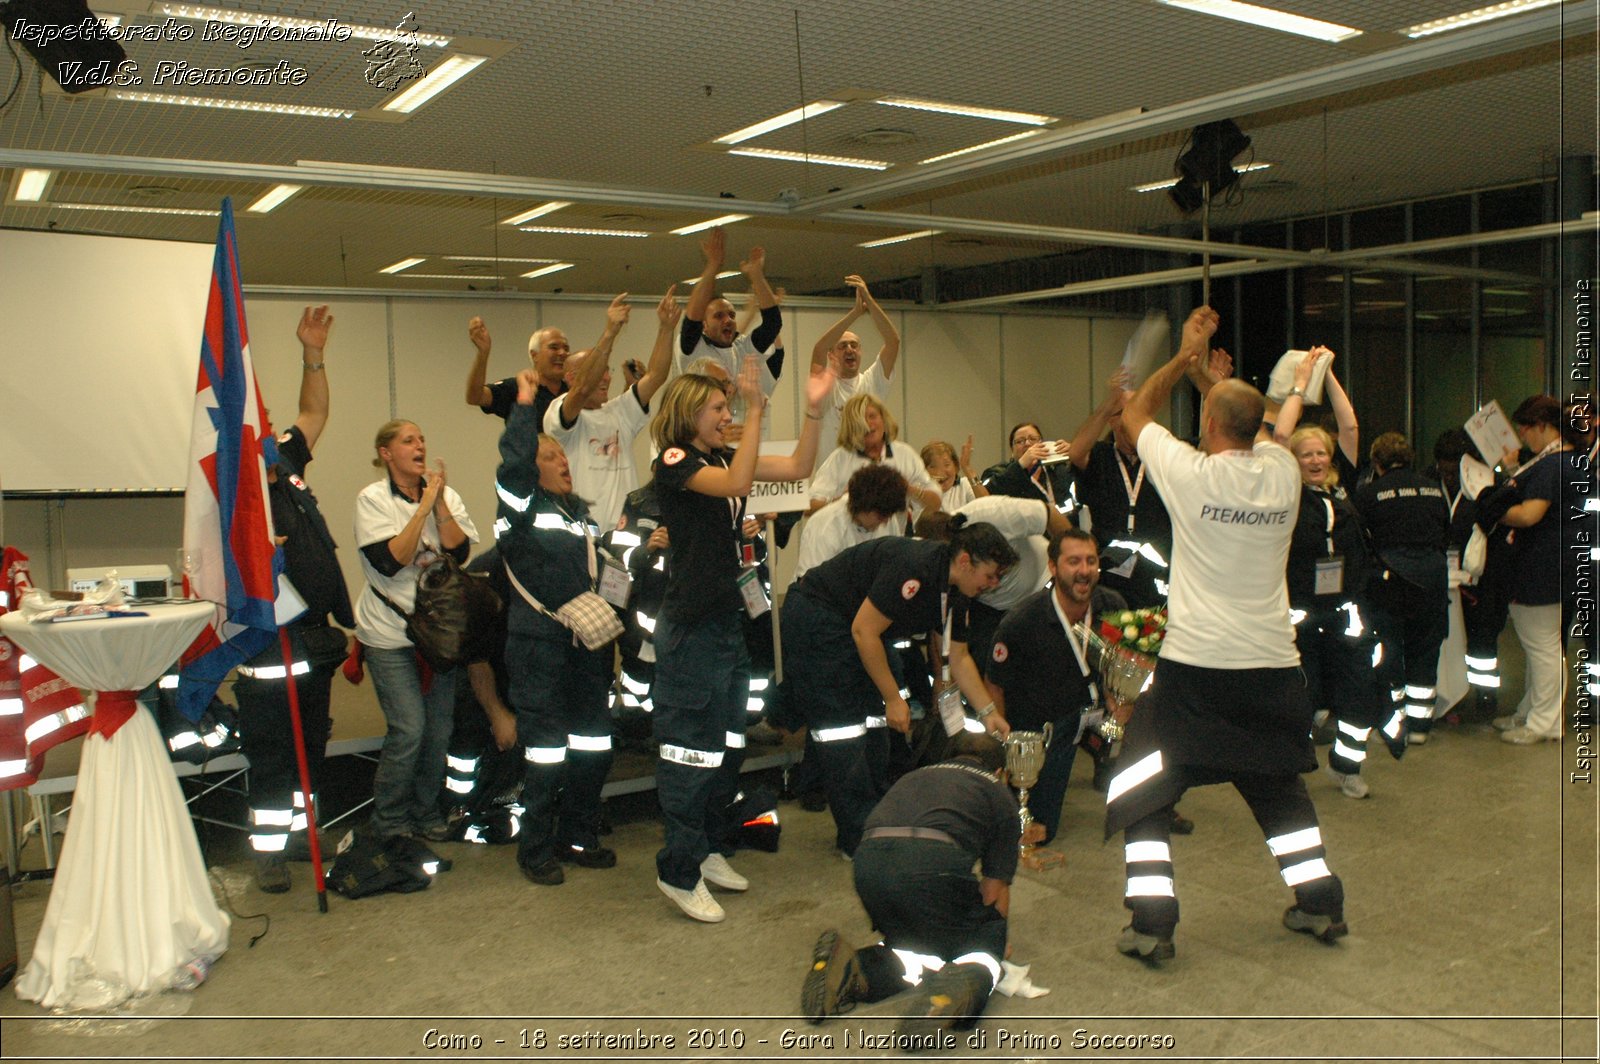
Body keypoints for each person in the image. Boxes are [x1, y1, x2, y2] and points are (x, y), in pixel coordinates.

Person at [1103, 306, 1347, 964]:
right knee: (1278, 790)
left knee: (1141, 788)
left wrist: (1185, 358)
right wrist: (1217, 386)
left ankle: (1152, 924)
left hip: (1196, 675)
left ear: (1207, 427)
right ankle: (1320, 905)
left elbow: (1135, 416)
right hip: (1271, 671)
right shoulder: (1283, 473)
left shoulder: (1190, 474)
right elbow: (1253, 422)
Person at [648, 355, 834, 923]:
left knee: (727, 745)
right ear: (688, 414)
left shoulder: (725, 455)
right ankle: (677, 869)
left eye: (729, 407)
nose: (726, 415)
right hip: (691, 630)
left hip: (726, 624)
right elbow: (735, 482)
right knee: (691, 750)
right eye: (717, 408)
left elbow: (801, 464)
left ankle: (705, 849)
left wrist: (812, 411)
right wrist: (755, 410)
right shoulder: (675, 461)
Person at [779, 523, 1018, 857]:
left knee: (878, 727)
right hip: (821, 618)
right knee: (843, 731)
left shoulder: (958, 592)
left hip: (863, 631)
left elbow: (959, 657)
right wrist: (892, 697)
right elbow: (864, 631)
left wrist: (989, 712)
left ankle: (875, 818)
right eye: (991, 575)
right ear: (966, 561)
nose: (993, 585)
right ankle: (856, 837)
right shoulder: (915, 568)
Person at [237, 305, 356, 893]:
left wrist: (313, 353)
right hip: (265, 639)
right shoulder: (229, 482)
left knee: (312, 741)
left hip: (311, 632)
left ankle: (307, 834)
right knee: (273, 749)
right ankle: (269, 851)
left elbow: (315, 411)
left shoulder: (281, 457)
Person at [801, 732, 1018, 1040]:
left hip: (868, 866)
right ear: (1000, 772)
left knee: (914, 946)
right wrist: (994, 939)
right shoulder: (997, 792)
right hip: (930, 866)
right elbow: (994, 889)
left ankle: (854, 967)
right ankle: (957, 991)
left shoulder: (916, 776)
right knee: (986, 942)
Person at [496, 391, 619, 884]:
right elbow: (514, 468)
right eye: (551, 456)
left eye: (563, 455)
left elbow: (606, 576)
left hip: (586, 650)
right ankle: (536, 850)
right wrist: (524, 409)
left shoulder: (581, 518)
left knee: (593, 747)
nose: (563, 462)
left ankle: (578, 836)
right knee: (546, 754)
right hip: (539, 648)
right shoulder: (518, 511)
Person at [1273, 349, 1395, 799]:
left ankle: (1347, 765)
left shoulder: (1343, 490)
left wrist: (1329, 375)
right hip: (1301, 617)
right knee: (1298, 700)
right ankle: (1287, 765)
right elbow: (1281, 432)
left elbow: (1350, 427)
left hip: (1346, 616)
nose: (1315, 459)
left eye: (1320, 453)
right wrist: (1301, 385)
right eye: (1305, 454)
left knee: (1359, 696)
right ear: (1293, 459)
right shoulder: (1285, 493)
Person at [354, 418, 479, 844]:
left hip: (439, 637)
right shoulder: (372, 499)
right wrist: (423, 507)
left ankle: (425, 813)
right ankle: (389, 821)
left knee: (438, 730)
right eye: (408, 440)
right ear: (386, 453)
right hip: (389, 634)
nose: (419, 445)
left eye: (422, 438)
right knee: (409, 728)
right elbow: (392, 560)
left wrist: (440, 502)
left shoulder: (446, 496)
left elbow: (458, 552)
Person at [982, 528, 1126, 845]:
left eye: (1090, 561)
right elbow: (994, 684)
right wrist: (1006, 747)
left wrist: (1123, 701)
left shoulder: (1113, 606)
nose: (1084, 570)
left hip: (1094, 711)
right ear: (1053, 566)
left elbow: (1125, 663)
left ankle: (1154, 809)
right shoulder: (1022, 621)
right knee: (1040, 832)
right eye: (1073, 561)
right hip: (1045, 728)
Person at [1486, 395, 1577, 744]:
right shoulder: (1563, 461)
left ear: (1542, 425)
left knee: (1543, 648)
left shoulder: (1554, 465)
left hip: (1542, 567)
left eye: (1524, 429)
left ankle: (1545, 722)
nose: (1522, 436)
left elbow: (1529, 515)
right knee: (1541, 645)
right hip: (1550, 565)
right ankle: (1530, 712)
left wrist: (1491, 509)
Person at [543, 290, 675, 530]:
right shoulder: (558, 413)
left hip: (625, 534)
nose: (604, 378)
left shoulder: (620, 411)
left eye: (607, 370)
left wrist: (666, 328)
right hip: (583, 532)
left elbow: (656, 376)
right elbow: (583, 390)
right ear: (571, 377)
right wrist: (610, 333)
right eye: (597, 370)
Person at [1352, 432, 1450, 746]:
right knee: (1425, 649)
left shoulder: (1369, 494)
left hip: (1390, 580)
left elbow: (1360, 539)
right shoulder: (1434, 490)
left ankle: (1395, 723)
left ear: (1376, 464)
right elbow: (1444, 532)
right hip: (1432, 578)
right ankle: (1421, 725)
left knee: (1389, 651)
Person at [917, 495, 1071, 671]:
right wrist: (941, 680)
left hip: (1042, 583)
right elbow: (941, 631)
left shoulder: (992, 513)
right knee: (991, 665)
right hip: (992, 610)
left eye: (996, 575)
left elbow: (1048, 514)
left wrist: (1073, 570)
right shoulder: (937, 569)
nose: (994, 583)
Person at [1069, 369, 1174, 608]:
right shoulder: (1101, 455)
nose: (1131, 420)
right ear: (1112, 420)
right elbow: (1076, 453)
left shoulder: (1161, 456)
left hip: (1157, 566)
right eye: (1124, 413)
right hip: (1109, 568)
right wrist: (1108, 404)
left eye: (1139, 412)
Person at [1434, 429, 1510, 724]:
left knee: (1483, 640)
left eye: (1455, 471)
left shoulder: (1489, 485)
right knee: (1447, 638)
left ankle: (1485, 696)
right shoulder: (1429, 483)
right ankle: (1450, 696)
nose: (1450, 476)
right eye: (1445, 469)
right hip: (1446, 576)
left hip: (1483, 577)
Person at [679, 227, 784, 399]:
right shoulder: (694, 350)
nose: (728, 320)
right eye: (718, 316)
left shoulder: (742, 348)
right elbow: (692, 317)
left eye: (731, 315)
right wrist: (713, 266)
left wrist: (757, 277)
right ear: (704, 325)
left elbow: (773, 324)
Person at [809, 394, 942, 523]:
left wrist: (907, 488)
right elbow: (809, 507)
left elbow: (935, 503)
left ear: (884, 419)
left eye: (872, 416)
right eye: (860, 420)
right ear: (851, 427)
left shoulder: (904, 454)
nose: (868, 424)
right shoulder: (840, 459)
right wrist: (844, 500)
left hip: (893, 541)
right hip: (851, 542)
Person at [810, 274, 901, 450]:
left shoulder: (873, 381)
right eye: (843, 346)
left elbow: (893, 342)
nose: (850, 350)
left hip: (866, 473)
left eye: (854, 345)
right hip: (833, 474)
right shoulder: (825, 386)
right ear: (832, 355)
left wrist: (869, 300)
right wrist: (855, 314)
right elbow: (819, 349)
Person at [793, 465, 910, 580]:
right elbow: (809, 582)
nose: (885, 522)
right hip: (821, 594)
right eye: (881, 516)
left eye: (888, 516)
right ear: (862, 507)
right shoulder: (825, 526)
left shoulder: (886, 516)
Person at [465, 315, 568, 426]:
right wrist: (483, 353)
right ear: (534, 355)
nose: (562, 353)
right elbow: (475, 397)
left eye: (566, 349)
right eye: (554, 347)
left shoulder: (574, 391)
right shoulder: (516, 387)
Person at [982, 422, 1078, 522]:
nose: (1027, 444)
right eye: (1020, 441)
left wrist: (1077, 456)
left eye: (1033, 439)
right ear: (1012, 450)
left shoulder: (1057, 470)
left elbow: (1085, 492)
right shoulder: (997, 472)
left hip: (1061, 531)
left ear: (1042, 444)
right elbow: (987, 494)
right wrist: (1021, 465)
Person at [922, 437, 988, 510]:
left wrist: (967, 467)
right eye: (933, 466)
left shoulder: (964, 485)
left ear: (956, 466)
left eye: (946, 464)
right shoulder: (920, 491)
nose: (940, 472)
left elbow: (987, 506)